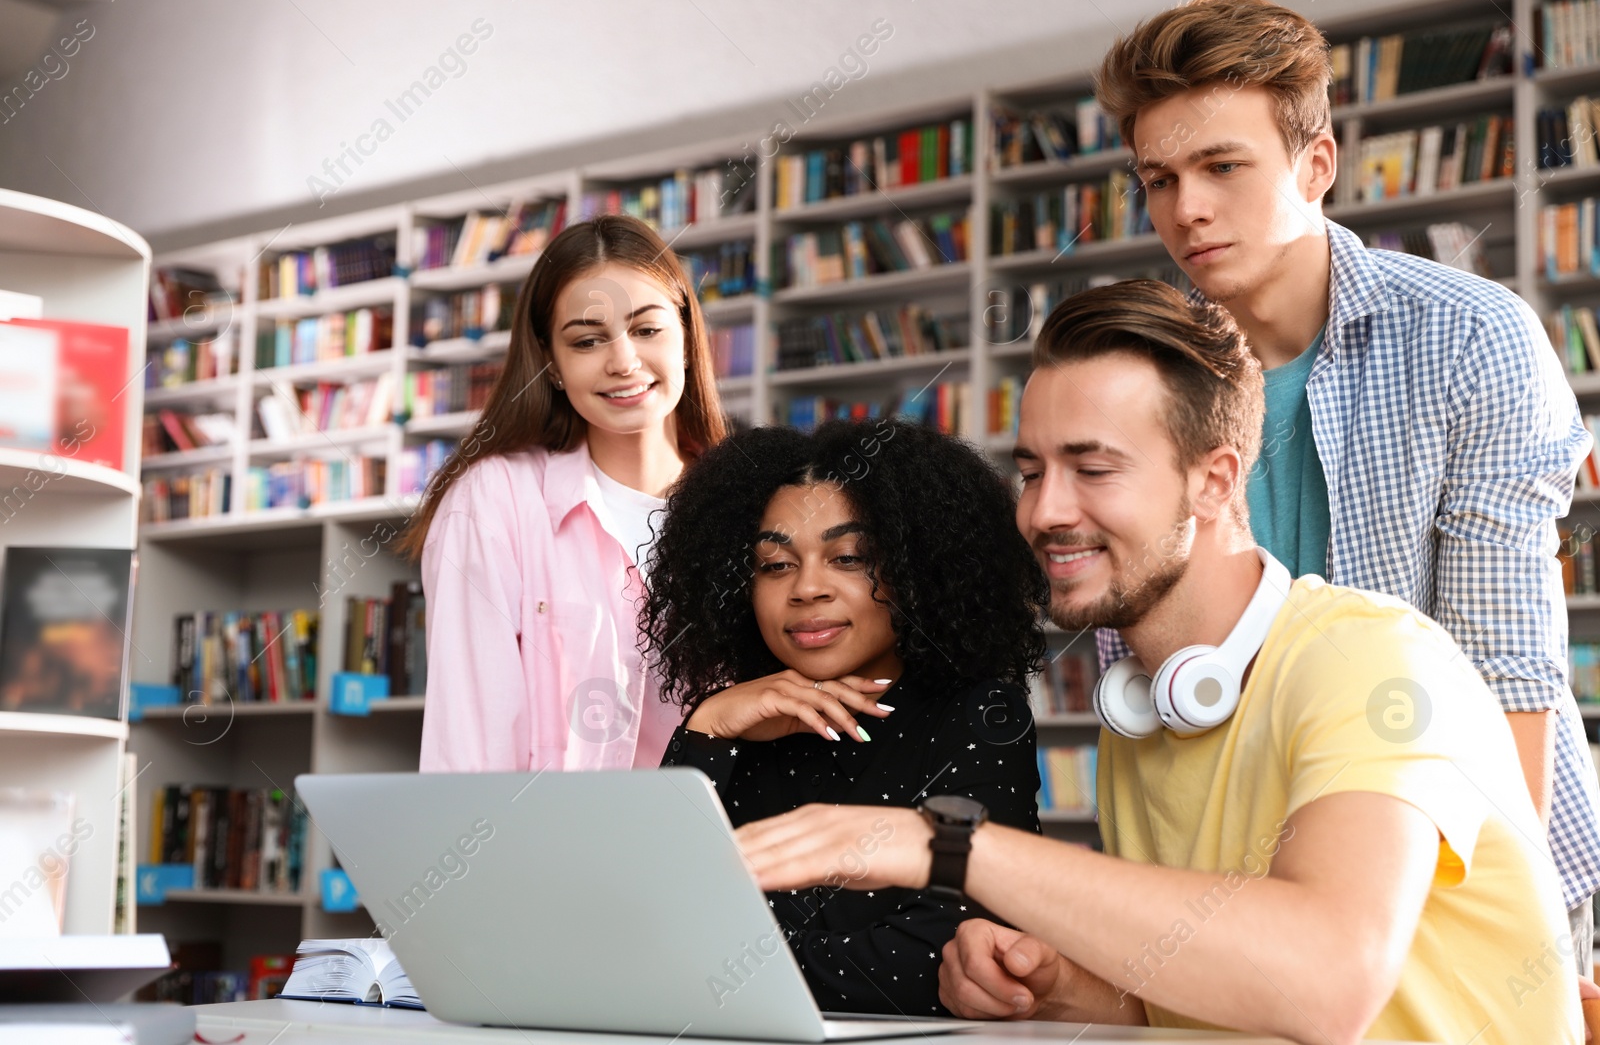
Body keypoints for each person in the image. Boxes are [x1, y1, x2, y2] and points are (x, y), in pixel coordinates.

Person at [736, 282, 1583, 1043]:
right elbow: (1214, 989)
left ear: (1216, 481)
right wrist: (1061, 987)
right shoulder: (1146, 711)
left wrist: (943, 845)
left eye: (1092, 468)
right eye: (1031, 470)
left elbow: (1328, 977)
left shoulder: (1370, 661)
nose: (1043, 510)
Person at [1089, 0, 1600, 971]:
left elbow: (1505, 670)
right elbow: (1156, 680)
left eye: (1221, 166)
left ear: (1314, 164)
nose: (1184, 206)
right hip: (1244, 885)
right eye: (1157, 177)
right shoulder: (1142, 383)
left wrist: (1497, 929)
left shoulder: (1469, 339)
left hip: (1466, 864)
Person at [641, 419, 1047, 1017]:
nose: (807, 588)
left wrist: (712, 958)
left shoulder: (978, 717)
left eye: (848, 557)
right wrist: (706, 729)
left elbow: (934, 962)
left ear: (917, 567)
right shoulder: (731, 726)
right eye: (775, 565)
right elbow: (638, 920)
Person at [397, 214, 727, 772]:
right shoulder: (493, 500)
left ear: (688, 339)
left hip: (723, 845)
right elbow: (469, 745)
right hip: (550, 850)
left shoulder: (752, 505)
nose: (623, 362)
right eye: (587, 340)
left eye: (647, 330)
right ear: (551, 366)